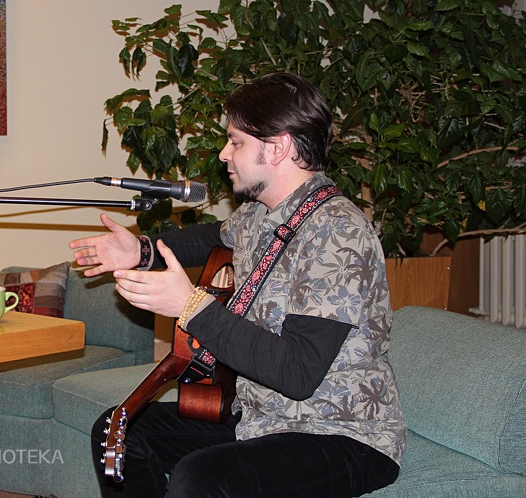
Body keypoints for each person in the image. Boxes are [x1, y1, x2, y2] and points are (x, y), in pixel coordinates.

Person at [69, 72, 405, 497]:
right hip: (262, 420)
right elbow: (212, 238)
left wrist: (191, 306)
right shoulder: (259, 215)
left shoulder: (338, 232)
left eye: (236, 141)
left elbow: (298, 373)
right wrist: (140, 250)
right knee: (117, 431)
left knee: (201, 478)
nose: (224, 154)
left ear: (277, 146)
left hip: (341, 433)